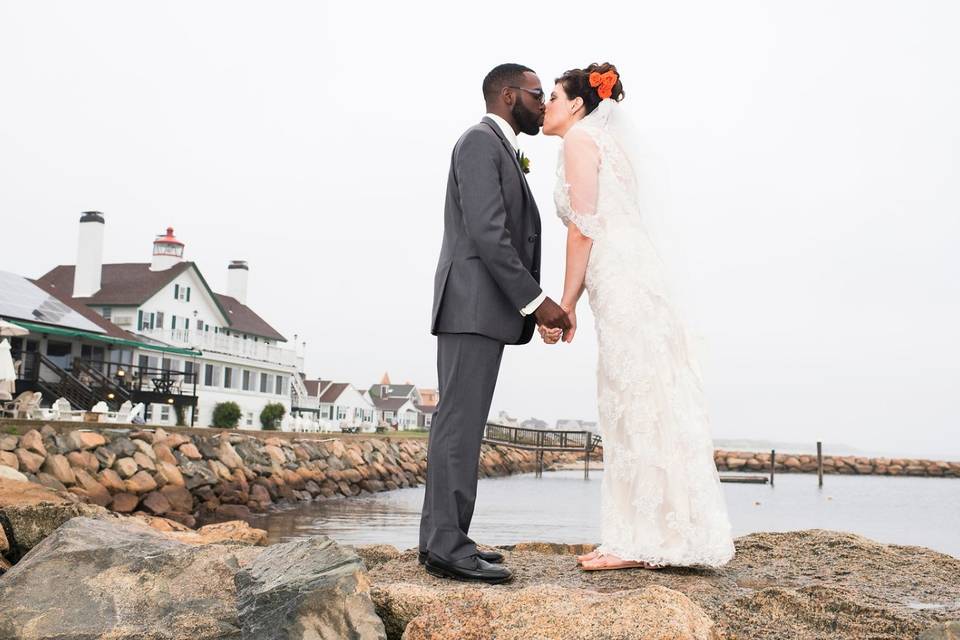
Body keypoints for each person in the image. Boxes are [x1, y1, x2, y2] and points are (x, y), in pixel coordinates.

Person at [539, 63, 736, 571]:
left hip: (620, 276)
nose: (547, 106)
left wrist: (564, 305)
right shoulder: (610, 146)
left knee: (631, 395)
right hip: (636, 272)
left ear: (579, 104)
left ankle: (636, 540)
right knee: (650, 393)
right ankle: (667, 532)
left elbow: (582, 227)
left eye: (555, 97)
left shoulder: (579, 141)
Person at [419, 63, 571, 584]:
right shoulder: (480, 142)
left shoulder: (497, 146)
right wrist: (536, 302)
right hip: (472, 306)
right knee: (459, 425)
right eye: (535, 94)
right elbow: (489, 232)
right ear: (508, 96)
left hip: (479, 307)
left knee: (457, 424)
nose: (541, 103)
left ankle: (441, 540)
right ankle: (448, 547)